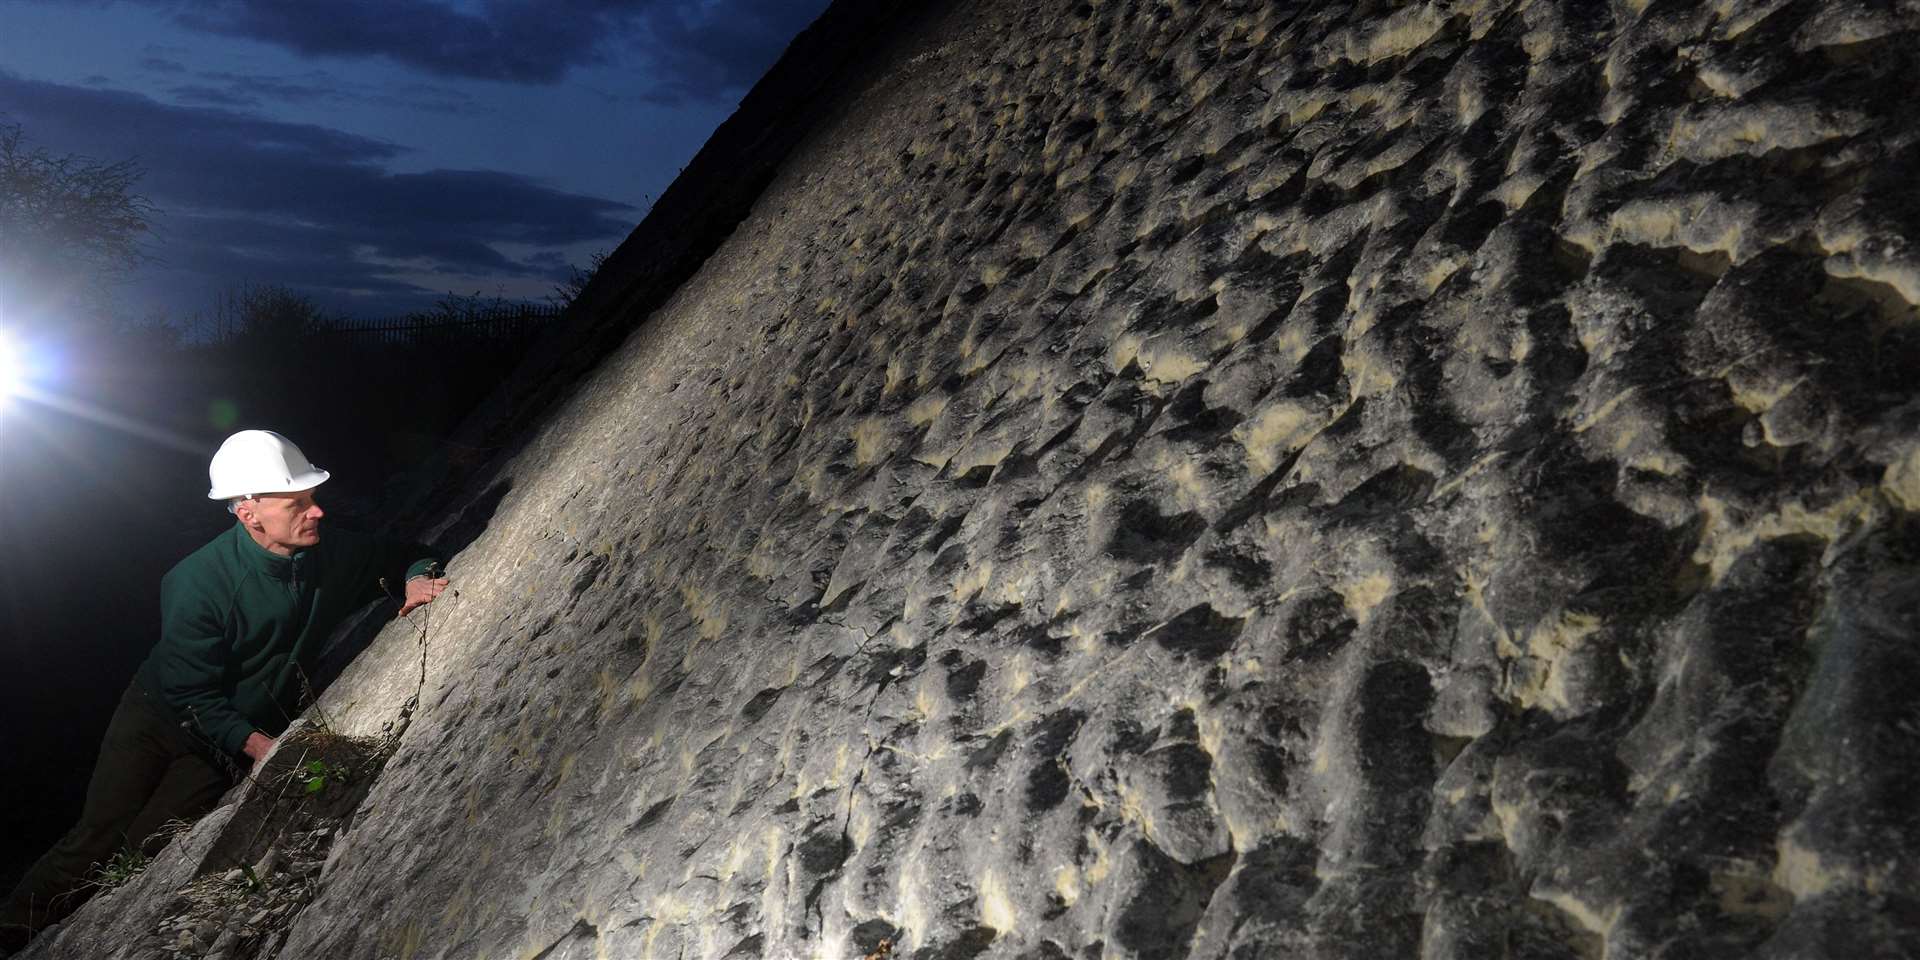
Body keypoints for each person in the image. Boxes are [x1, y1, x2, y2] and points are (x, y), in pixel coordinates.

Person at [0, 430, 450, 946]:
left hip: (223, 739)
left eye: (313, 499)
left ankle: (92, 923)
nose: (317, 512)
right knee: (97, 832)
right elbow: (191, 691)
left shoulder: (333, 555)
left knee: (149, 842)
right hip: (159, 718)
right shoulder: (199, 582)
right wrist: (260, 745)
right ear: (248, 513)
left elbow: (408, 554)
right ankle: (15, 928)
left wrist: (417, 578)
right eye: (298, 502)